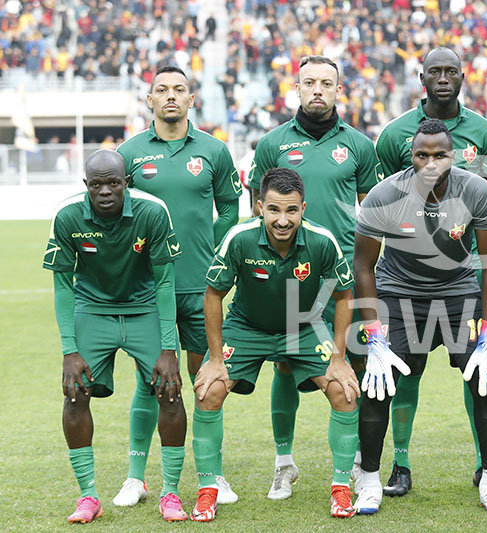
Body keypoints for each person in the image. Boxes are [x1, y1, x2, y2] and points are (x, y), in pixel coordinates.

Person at [352, 119, 487, 514]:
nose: (431, 163)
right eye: (422, 155)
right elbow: (362, 266)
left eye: (439, 154)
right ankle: (370, 479)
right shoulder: (385, 193)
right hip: (398, 293)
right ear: (411, 156)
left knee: (485, 378)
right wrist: (373, 335)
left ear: (452, 155)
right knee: (378, 382)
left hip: (457, 293)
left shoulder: (475, 190)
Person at [189, 167, 360, 521]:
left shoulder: (322, 241)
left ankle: (341, 489)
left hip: (304, 327)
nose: (283, 220)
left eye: (292, 210)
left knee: (345, 390)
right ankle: (208, 490)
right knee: (208, 390)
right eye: (274, 210)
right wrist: (217, 358)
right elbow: (212, 296)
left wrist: (340, 357)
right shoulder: (239, 239)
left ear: (303, 208)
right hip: (248, 326)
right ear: (259, 207)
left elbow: (344, 297)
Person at [248, 54, 383, 500]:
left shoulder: (361, 146)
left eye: (327, 82)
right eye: (310, 82)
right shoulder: (272, 144)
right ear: (298, 88)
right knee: (284, 366)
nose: (318, 90)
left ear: (338, 90)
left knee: (354, 366)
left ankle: (357, 466)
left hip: (345, 276)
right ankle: (283, 463)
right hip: (290, 279)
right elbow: (258, 209)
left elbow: (371, 210)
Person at [374, 46, 487, 496]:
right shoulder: (393, 135)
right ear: (421, 76)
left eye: (452, 70)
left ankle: (486, 468)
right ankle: (400, 464)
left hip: (460, 274)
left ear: (463, 76)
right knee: (404, 370)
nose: (443, 77)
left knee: (477, 371)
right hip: (404, 277)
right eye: (435, 71)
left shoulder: (486, 132)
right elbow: (383, 198)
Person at [117, 65, 241, 506]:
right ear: (149, 100)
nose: (171, 96)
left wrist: (211, 246)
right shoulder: (128, 153)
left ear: (192, 100)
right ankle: (136, 477)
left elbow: (229, 207)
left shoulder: (214, 151)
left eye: (180, 90)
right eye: (162, 90)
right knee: (148, 381)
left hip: (199, 286)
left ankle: (213, 475)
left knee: (208, 381)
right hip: (148, 290)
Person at [44, 149, 188, 523]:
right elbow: (62, 286)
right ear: (85, 185)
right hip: (92, 308)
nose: (105, 191)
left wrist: (169, 347)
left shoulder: (152, 211)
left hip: (144, 308)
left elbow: (165, 282)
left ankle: (170, 493)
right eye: (96, 184)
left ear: (127, 182)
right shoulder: (67, 215)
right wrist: (69, 351)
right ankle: (88, 497)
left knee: (170, 389)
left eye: (113, 183)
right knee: (74, 393)